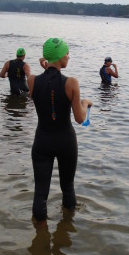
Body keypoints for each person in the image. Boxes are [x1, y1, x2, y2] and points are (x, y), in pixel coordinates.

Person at [27, 38, 92, 222]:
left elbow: (47, 86)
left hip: (42, 142)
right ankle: (67, 228)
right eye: (66, 53)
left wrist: (46, 67)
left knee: (40, 192)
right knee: (68, 187)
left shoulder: (32, 80)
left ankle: (40, 237)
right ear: (59, 56)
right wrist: (85, 103)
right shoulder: (71, 82)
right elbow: (80, 119)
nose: (68, 56)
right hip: (65, 142)